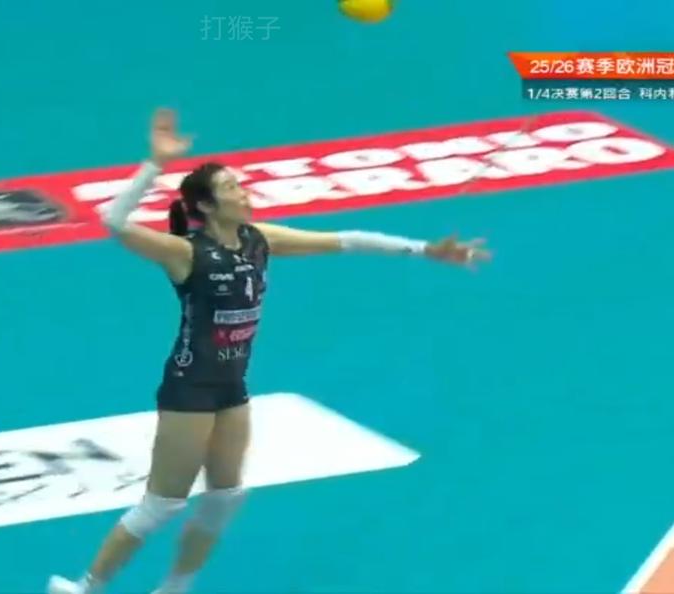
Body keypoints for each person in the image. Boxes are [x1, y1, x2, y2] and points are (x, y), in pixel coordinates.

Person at [47, 108, 490, 594]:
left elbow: (344, 241)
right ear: (208, 206)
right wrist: (156, 163)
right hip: (190, 389)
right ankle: (86, 587)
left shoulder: (260, 241)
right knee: (163, 504)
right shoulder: (185, 253)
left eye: (240, 185)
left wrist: (425, 250)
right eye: (231, 188)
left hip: (231, 387)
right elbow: (114, 223)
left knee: (227, 496)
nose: (244, 193)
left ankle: (174, 589)